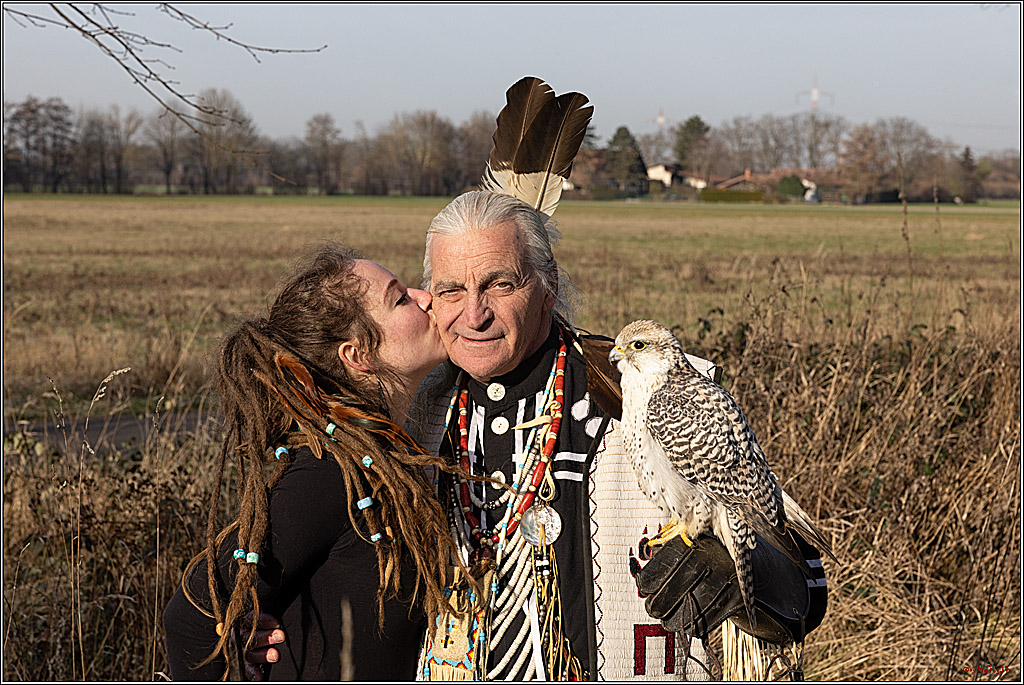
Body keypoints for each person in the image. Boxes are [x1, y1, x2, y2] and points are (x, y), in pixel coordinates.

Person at [407, 190, 829, 680]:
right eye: (451, 290)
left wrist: (740, 579)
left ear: (549, 286)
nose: (474, 314)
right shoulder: (413, 412)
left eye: (500, 284)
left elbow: (804, 592)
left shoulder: (650, 393)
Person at [162, 243, 478, 680]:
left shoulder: (379, 459)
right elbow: (191, 615)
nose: (425, 297)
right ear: (358, 356)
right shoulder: (330, 473)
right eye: (400, 298)